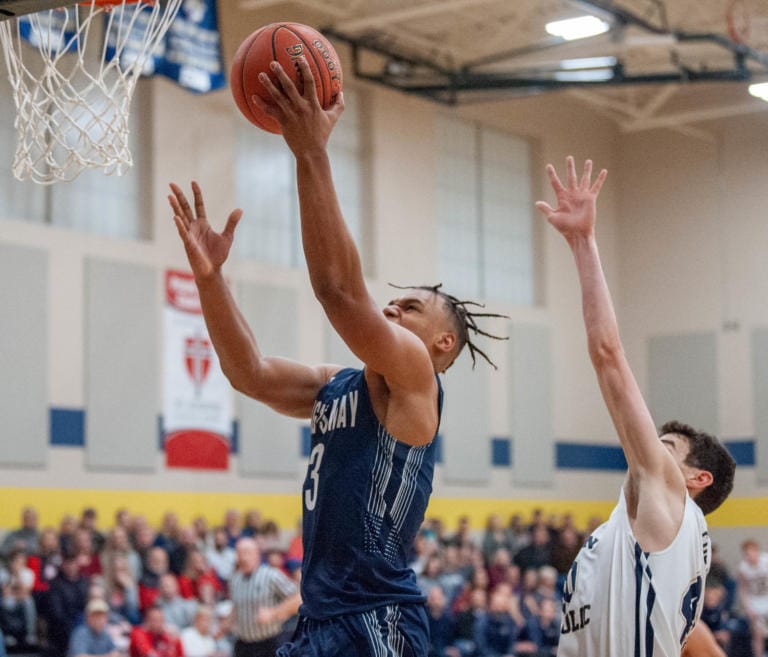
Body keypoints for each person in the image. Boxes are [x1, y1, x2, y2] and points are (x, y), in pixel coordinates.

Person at [168, 54, 505, 657]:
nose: (392, 309)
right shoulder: (341, 384)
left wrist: (310, 153)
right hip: (321, 620)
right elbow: (248, 372)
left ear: (441, 343)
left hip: (377, 619)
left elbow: (341, 294)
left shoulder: (415, 380)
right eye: (392, 302)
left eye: (409, 307)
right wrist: (211, 280)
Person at [535, 156, 736, 657]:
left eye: (667, 447)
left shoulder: (670, 500)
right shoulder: (646, 540)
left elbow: (607, 355)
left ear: (696, 479)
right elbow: (699, 643)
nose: (649, 445)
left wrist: (583, 243)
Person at [228, 538, 299, 657]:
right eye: (239, 553)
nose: (243, 557)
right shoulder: (235, 579)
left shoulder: (271, 575)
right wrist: (225, 624)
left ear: (257, 555)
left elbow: (298, 599)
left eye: (247, 552)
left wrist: (274, 612)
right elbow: (236, 607)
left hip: (268, 643)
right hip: (243, 644)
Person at [737, 538, 768, 657]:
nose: (749, 556)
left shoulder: (766, 560)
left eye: (751, 552)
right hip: (755, 601)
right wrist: (747, 607)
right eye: (746, 554)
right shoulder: (743, 568)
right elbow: (743, 589)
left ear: (757, 551)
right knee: (757, 634)